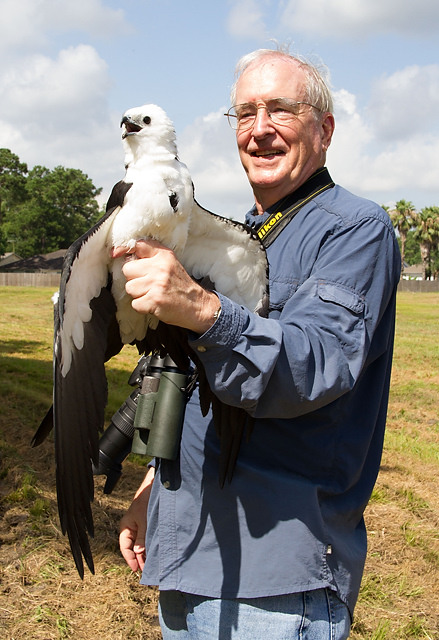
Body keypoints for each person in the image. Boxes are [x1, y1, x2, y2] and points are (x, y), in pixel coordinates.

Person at [118, 47, 401, 639]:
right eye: (244, 113)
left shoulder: (354, 229)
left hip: (275, 583)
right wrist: (153, 485)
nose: (259, 130)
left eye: (280, 110)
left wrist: (201, 306)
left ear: (324, 129)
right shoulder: (242, 235)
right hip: (186, 559)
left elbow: (313, 364)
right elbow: (192, 377)